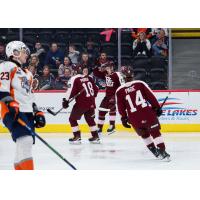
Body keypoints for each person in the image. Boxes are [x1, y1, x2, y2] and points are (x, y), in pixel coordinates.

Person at [0, 41, 46, 170]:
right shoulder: (6, 66)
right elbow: (1, 89)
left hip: (27, 112)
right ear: (15, 53)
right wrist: (10, 103)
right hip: (13, 111)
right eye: (23, 51)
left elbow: (29, 96)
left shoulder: (28, 74)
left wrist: (37, 112)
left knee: (24, 144)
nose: (27, 54)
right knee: (25, 141)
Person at [116, 67, 170, 161]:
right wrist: (156, 107)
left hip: (134, 118)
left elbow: (121, 108)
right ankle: (162, 151)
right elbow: (151, 97)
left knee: (144, 135)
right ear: (132, 75)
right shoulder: (140, 84)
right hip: (147, 114)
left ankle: (155, 152)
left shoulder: (119, 91)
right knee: (155, 133)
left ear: (122, 76)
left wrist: (124, 119)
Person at [62, 66, 99, 144]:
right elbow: (96, 89)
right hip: (91, 102)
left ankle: (77, 136)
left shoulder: (75, 78)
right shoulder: (89, 78)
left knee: (72, 119)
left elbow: (71, 91)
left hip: (82, 103)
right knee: (90, 119)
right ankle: (95, 136)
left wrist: (65, 100)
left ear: (75, 72)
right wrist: (91, 97)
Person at [93, 61, 124, 135]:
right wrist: (98, 67)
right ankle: (100, 128)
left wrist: (121, 95)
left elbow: (122, 85)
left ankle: (112, 125)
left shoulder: (117, 74)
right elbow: (95, 73)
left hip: (115, 94)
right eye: (106, 67)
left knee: (111, 106)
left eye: (108, 67)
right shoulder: (105, 74)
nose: (107, 69)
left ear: (112, 67)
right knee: (101, 109)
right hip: (107, 95)